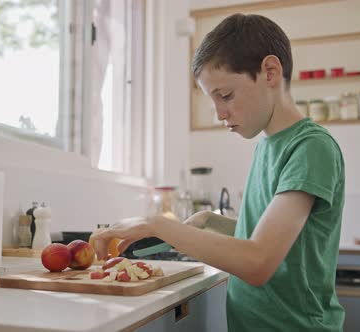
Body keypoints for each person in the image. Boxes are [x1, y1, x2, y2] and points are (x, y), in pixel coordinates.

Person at [91, 13, 345, 331]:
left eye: (225, 96)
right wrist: (209, 221)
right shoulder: (268, 145)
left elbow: (258, 261)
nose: (219, 113)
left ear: (270, 72)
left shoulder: (310, 148)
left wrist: (158, 224)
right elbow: (272, 239)